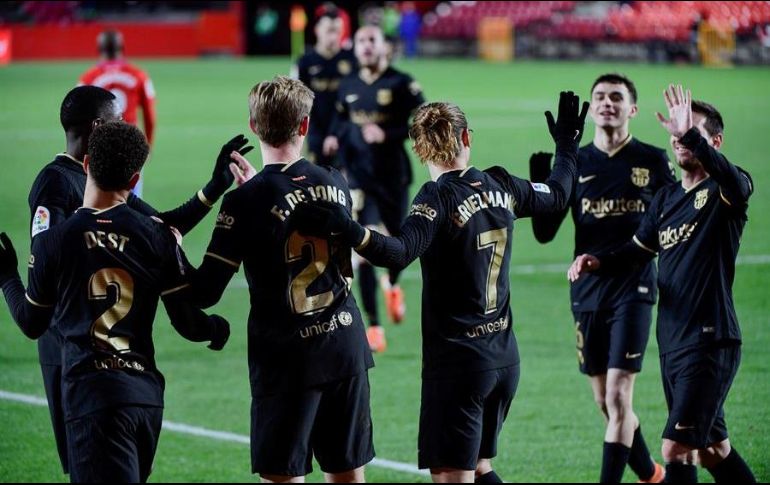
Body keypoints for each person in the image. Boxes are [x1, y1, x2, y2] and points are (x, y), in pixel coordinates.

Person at [292, 92, 588, 483]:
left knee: (453, 475)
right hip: (503, 359)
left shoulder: (437, 198)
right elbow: (559, 193)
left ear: (418, 149)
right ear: (467, 139)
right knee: (481, 468)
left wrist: (349, 228)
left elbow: (398, 253)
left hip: (459, 367)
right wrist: (567, 143)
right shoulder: (500, 182)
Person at [26, 85, 247, 476]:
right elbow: (48, 271)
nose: (126, 123)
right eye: (119, 118)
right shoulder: (55, 183)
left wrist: (214, 186)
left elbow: (160, 224)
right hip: (69, 349)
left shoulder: (104, 179)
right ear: (97, 126)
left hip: (102, 367)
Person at [189, 76, 375, 483]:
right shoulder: (335, 182)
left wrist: (166, 245)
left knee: (284, 478)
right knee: (347, 475)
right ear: (305, 126)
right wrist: (263, 187)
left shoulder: (243, 200)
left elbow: (205, 291)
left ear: (254, 127)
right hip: (344, 345)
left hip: (287, 359)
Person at [568, 85, 756, 484]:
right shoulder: (667, 198)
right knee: (709, 450)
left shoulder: (725, 190)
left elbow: (735, 183)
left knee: (675, 448)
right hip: (672, 341)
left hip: (710, 340)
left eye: (690, 134)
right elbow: (638, 250)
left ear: (715, 142)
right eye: (676, 136)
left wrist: (691, 135)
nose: (680, 141)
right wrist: (596, 260)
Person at [530, 73, 673, 483]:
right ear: (591, 109)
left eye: (616, 97)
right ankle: (651, 475)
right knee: (605, 404)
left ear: (632, 109)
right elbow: (544, 235)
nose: (607, 103)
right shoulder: (576, 165)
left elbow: (669, 224)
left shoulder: (652, 159)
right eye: (600, 97)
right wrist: (545, 185)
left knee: (618, 394)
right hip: (587, 290)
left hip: (635, 286)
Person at [325, 24, 425, 352]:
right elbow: (341, 121)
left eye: (372, 40)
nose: (366, 46)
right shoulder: (348, 85)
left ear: (384, 46)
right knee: (364, 249)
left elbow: (423, 121)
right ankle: (375, 326)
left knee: (399, 245)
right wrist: (332, 140)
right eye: (361, 41)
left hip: (393, 176)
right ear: (354, 48)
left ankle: (393, 284)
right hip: (358, 179)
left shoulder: (402, 83)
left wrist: (389, 133)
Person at [79, 30, 156, 197]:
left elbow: (78, 117)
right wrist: (148, 145)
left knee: (98, 202)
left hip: (99, 146)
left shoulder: (88, 78)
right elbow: (150, 115)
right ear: (122, 47)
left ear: (98, 48)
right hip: (130, 144)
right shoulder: (139, 76)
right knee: (133, 203)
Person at [292, 6, 357, 168]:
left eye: (337, 31)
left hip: (346, 131)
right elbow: (298, 102)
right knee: (318, 183)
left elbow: (354, 101)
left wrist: (336, 134)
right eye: (329, 30)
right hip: (315, 131)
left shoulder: (351, 60)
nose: (334, 36)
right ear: (317, 30)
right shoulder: (305, 62)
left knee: (345, 185)